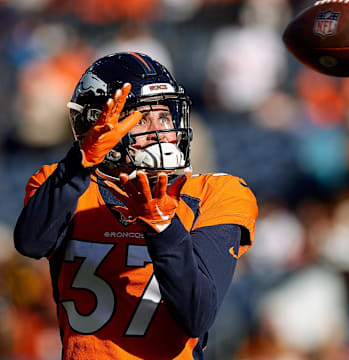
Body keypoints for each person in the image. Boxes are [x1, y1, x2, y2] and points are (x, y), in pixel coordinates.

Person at [13, 52, 258, 360]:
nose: (161, 133)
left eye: (165, 117)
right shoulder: (64, 183)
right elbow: (31, 242)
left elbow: (197, 314)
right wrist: (80, 161)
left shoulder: (216, 192)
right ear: (98, 124)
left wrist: (163, 227)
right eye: (141, 119)